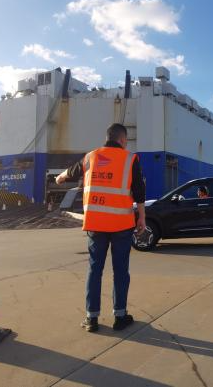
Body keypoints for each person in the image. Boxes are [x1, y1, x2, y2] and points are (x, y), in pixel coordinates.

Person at [55, 123, 146, 332]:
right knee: (120, 271)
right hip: (122, 224)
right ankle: (120, 316)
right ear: (122, 140)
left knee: (95, 270)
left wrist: (59, 177)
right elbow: (139, 191)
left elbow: (69, 173)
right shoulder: (130, 159)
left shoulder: (90, 157)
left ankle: (91, 318)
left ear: (107, 138)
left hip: (96, 225)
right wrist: (142, 217)